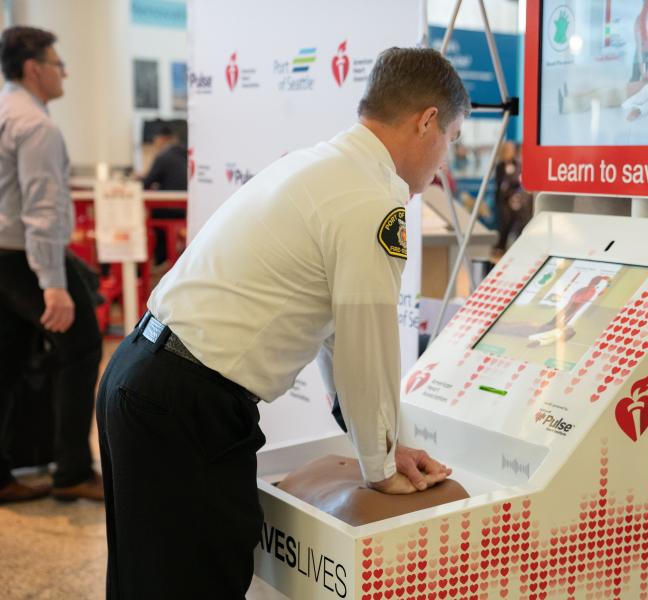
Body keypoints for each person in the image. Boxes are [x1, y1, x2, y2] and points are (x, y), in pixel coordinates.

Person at [96, 47, 469, 599]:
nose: (443, 165)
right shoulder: (372, 200)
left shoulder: (321, 165)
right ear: (427, 121)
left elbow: (336, 334)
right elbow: (367, 346)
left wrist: (380, 446)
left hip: (142, 375)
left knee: (146, 584)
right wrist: (380, 468)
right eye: (451, 140)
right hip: (187, 405)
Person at [0, 26, 103, 504]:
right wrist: (53, 284)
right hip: (25, 259)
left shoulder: (5, 111)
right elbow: (41, 209)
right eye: (58, 64)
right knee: (80, 348)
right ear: (33, 68)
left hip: (4, 258)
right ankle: (72, 473)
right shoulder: (36, 125)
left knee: (6, 363)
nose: (65, 73)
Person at [142, 124, 188, 265]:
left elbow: (147, 182)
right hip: (185, 210)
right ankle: (173, 260)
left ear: (162, 139)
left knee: (154, 222)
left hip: (168, 210)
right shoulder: (186, 154)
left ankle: (161, 261)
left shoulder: (164, 156)